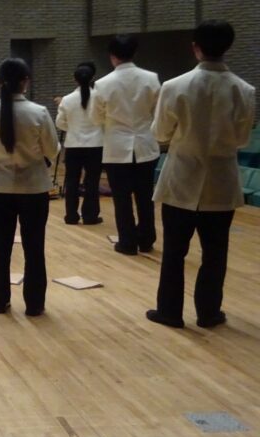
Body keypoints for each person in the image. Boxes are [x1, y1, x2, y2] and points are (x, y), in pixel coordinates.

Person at [146, 20, 256, 329]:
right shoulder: (244, 90)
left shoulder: (174, 86)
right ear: (228, 47)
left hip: (181, 177)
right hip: (221, 181)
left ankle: (170, 312)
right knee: (215, 253)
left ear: (195, 47)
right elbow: (242, 139)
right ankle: (209, 313)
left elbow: (160, 133)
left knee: (174, 251)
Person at [0, 58, 60, 316]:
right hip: (33, 188)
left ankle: (0, 300)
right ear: (25, 81)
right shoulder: (39, 112)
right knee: (34, 247)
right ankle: (34, 304)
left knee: (1, 247)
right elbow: (52, 150)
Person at [92, 35, 161, 254]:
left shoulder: (102, 84)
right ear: (135, 53)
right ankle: (147, 239)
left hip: (117, 146)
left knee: (122, 198)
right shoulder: (152, 78)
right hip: (145, 144)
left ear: (112, 56)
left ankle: (127, 242)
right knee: (145, 196)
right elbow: (158, 112)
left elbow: (96, 117)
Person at [56, 63, 104, 226]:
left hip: (73, 145)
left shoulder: (67, 100)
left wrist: (72, 128)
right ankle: (90, 216)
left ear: (74, 79)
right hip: (96, 145)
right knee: (92, 181)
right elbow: (105, 120)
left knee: (72, 181)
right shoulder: (100, 97)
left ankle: (71, 216)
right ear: (93, 78)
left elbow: (60, 123)